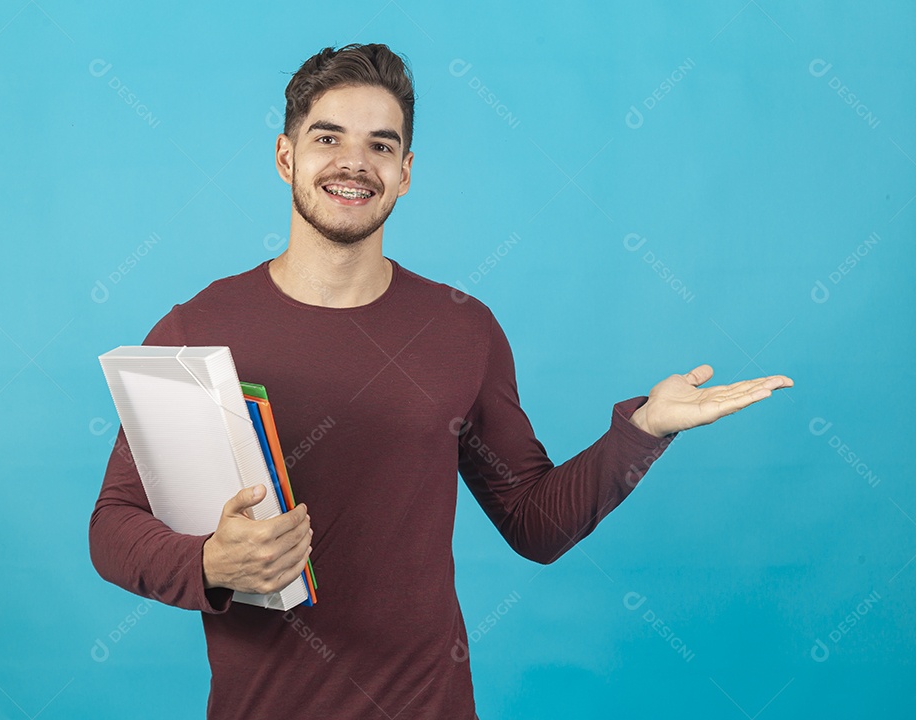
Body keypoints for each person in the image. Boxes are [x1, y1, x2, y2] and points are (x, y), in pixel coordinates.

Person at [89, 43, 793, 719]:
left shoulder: (461, 329)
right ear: (286, 157)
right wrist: (209, 561)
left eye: (381, 145)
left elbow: (533, 522)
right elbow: (113, 527)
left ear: (406, 171)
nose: (354, 163)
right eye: (328, 138)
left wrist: (643, 431)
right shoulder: (198, 327)